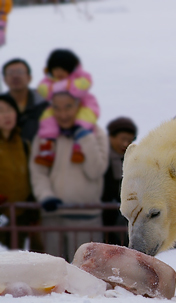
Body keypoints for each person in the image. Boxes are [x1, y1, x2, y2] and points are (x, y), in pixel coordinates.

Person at [29, 91, 108, 261]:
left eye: (68, 107)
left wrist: (85, 139)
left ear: (78, 107)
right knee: (53, 273)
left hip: (86, 218)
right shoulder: (45, 136)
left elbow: (95, 171)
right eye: (57, 108)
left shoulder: (95, 133)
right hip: (53, 217)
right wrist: (46, 196)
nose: (63, 114)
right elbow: (38, 172)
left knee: (87, 272)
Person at [35, 49, 100, 167]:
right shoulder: (49, 80)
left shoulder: (79, 78)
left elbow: (83, 86)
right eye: (56, 69)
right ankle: (48, 145)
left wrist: (63, 85)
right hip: (58, 107)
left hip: (83, 105)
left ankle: (79, 146)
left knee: (84, 120)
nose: (59, 72)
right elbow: (43, 90)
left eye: (63, 69)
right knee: (47, 118)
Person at [0, 94, 40, 249]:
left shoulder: (24, 145)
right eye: (1, 111)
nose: (7, 115)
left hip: (21, 216)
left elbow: (31, 178)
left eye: (10, 110)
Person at [102, 116, 137, 245]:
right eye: (122, 139)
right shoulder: (101, 158)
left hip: (121, 217)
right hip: (103, 217)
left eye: (129, 140)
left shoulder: (132, 160)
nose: (125, 144)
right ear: (111, 137)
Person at [2, 58, 48, 142]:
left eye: (20, 72)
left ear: (29, 77)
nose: (15, 76)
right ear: (4, 79)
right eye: (10, 73)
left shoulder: (44, 105)